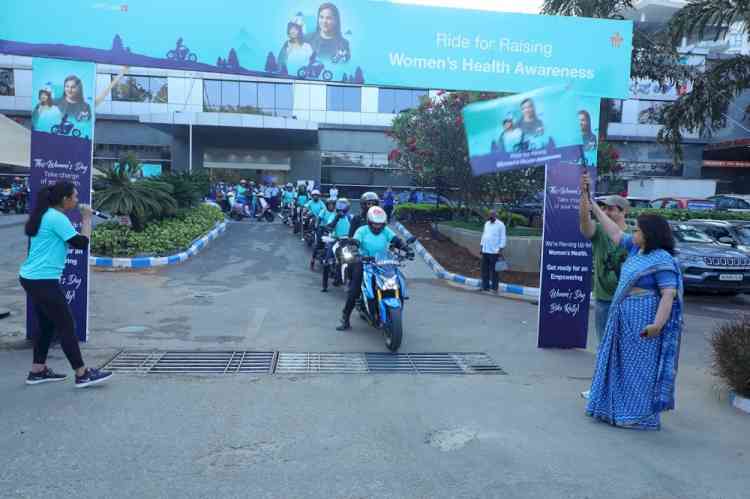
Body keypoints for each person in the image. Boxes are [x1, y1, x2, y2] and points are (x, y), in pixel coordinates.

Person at [584, 193, 683, 431]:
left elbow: (668, 295)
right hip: (623, 320)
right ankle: (612, 410)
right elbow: (614, 232)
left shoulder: (662, 260)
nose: (633, 233)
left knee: (639, 371)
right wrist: (593, 206)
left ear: (649, 235)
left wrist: (657, 326)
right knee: (619, 366)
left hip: (644, 325)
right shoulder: (636, 250)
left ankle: (638, 416)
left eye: (637, 230)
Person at [19, 181, 113, 388]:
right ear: (65, 199)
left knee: (47, 324)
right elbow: (81, 244)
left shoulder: (47, 214)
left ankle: (37, 370)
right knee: (66, 326)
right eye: (75, 196)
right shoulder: (56, 218)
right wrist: (87, 218)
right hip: (41, 280)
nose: (77, 200)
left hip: (33, 278)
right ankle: (82, 374)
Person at [579, 173, 631, 348]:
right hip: (604, 300)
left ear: (624, 211)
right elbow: (585, 222)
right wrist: (584, 194)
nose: (606, 212)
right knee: (604, 346)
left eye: (611, 208)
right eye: (604, 208)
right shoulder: (600, 231)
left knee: (624, 346)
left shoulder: (634, 236)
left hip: (627, 301)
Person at [336, 206, 408, 331]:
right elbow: (356, 241)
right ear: (369, 222)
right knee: (355, 290)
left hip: (384, 263)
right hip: (364, 262)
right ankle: (345, 318)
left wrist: (405, 247)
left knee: (399, 281)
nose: (377, 227)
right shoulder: (362, 230)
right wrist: (354, 248)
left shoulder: (386, 231)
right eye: (375, 224)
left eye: (380, 224)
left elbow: (396, 240)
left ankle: (393, 311)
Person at [479, 210, 507, 292]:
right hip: (485, 250)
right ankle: (485, 287)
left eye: (492, 215)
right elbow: (484, 235)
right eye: (489, 215)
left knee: (494, 271)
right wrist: (481, 247)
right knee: (484, 270)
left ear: (495, 216)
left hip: (494, 251)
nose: (490, 216)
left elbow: (503, 238)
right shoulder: (486, 224)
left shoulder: (501, 225)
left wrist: (500, 250)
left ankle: (494, 288)